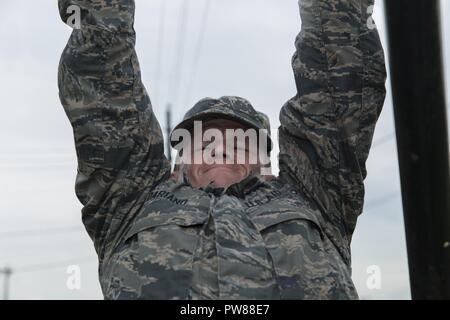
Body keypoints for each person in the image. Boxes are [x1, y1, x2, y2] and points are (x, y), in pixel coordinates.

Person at [58, 0, 386, 299]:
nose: (221, 150)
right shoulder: (130, 203)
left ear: (268, 167)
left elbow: (339, 76)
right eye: (204, 143)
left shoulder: (315, 196)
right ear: (176, 169)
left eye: (242, 143)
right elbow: (102, 76)